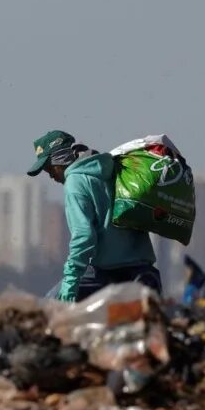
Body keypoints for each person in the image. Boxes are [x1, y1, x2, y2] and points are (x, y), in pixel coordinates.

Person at [27, 129, 162, 303]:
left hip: (105, 274)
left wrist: (71, 281)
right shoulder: (111, 169)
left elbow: (84, 236)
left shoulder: (75, 182)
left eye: (49, 169)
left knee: (44, 310)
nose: (51, 175)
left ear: (59, 160)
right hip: (143, 273)